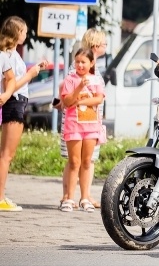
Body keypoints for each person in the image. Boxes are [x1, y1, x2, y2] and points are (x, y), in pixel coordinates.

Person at [57, 28, 108, 208]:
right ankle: (68, 196)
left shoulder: (94, 70)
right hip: (74, 122)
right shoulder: (78, 67)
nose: (105, 47)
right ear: (95, 45)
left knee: (87, 160)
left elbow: (99, 95)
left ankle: (85, 196)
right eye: (104, 44)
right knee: (74, 161)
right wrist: (76, 100)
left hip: (91, 122)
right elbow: (67, 94)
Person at [0, 16, 46, 212]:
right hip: (14, 103)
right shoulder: (7, 56)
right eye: (24, 31)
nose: (26, 35)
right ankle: (0, 196)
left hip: (16, 102)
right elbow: (11, 85)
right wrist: (30, 74)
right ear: (17, 32)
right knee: (6, 155)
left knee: (7, 154)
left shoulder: (11, 55)